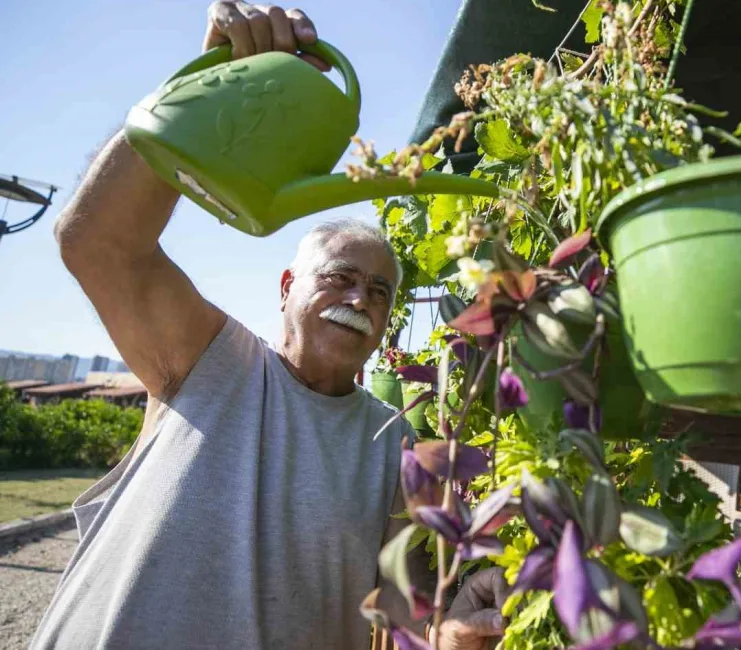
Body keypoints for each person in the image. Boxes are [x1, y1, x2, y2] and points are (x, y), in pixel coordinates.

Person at [31, 3, 505, 649]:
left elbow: (397, 601)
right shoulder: (212, 362)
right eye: (339, 277)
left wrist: (449, 631)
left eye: (380, 291)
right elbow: (96, 242)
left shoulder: (393, 441)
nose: (361, 298)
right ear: (286, 289)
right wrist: (205, 89)